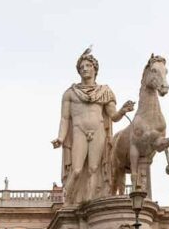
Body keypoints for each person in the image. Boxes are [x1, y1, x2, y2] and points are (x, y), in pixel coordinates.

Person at [52, 49, 134, 204]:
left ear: (95, 69)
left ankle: (89, 203)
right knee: (76, 170)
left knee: (94, 169)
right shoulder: (70, 93)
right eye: (82, 66)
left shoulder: (104, 92)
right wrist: (61, 138)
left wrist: (123, 110)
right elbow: (64, 118)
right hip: (79, 131)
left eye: (88, 65)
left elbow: (113, 116)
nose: (84, 68)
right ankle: (67, 202)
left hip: (98, 131)